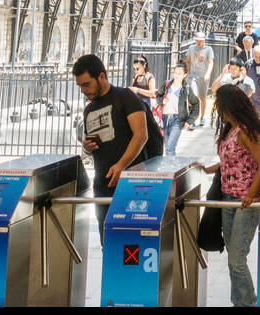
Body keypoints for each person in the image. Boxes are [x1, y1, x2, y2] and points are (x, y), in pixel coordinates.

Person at [203, 85, 260, 306]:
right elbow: (231, 161)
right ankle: (238, 302)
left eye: (219, 106)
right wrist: (209, 168)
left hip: (244, 203)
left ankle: (248, 302)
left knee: (237, 259)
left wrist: (251, 195)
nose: (216, 110)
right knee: (233, 259)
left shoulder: (246, 131)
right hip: (227, 199)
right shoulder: (229, 130)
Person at [73, 53, 149, 235]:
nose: (83, 90)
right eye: (80, 86)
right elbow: (97, 143)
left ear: (101, 76)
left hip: (131, 185)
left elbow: (141, 135)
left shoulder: (125, 97)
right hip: (103, 185)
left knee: (130, 242)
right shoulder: (89, 109)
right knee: (107, 244)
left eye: (86, 84)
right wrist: (87, 147)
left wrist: (121, 165)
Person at [160, 63, 195, 156]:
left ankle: (170, 169)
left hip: (177, 119)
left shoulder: (186, 89)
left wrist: (189, 121)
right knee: (167, 147)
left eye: (179, 73)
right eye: (175, 72)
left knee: (170, 147)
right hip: (164, 119)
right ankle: (171, 167)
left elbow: (196, 104)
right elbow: (158, 95)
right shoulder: (166, 84)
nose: (176, 75)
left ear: (184, 75)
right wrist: (161, 100)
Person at [189, 32, 216, 128]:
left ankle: (202, 117)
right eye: (197, 40)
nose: (198, 42)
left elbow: (211, 62)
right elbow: (188, 61)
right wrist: (187, 74)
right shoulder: (191, 48)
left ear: (204, 40)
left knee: (203, 98)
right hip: (193, 76)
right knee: (194, 96)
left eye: (200, 40)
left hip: (204, 77)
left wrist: (208, 73)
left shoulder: (208, 49)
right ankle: (193, 118)